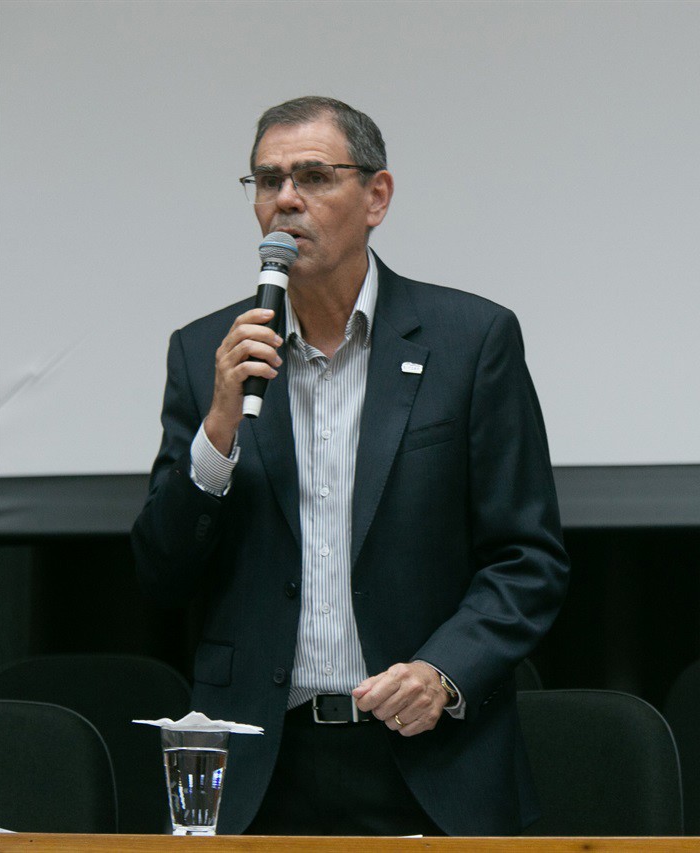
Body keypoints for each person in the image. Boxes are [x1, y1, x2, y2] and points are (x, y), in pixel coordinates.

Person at [132, 96, 570, 836]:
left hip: (428, 756)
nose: (285, 200)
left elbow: (528, 559)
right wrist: (218, 427)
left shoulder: (471, 342)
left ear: (376, 196)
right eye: (267, 181)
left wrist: (443, 671)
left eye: (312, 176)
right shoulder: (207, 352)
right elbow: (162, 573)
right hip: (259, 766)